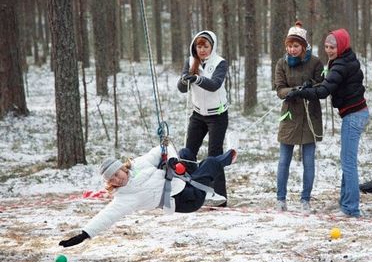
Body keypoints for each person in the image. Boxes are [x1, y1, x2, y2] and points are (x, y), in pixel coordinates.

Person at [59, 145, 237, 247]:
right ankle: (227, 159)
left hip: (182, 181)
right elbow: (106, 216)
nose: (117, 179)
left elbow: (160, 149)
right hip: (187, 199)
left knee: (185, 153)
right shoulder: (124, 198)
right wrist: (84, 235)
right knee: (210, 162)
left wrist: (172, 160)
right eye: (112, 179)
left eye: (117, 173)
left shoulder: (138, 165)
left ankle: (199, 172)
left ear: (123, 167)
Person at [286, 28, 369, 218]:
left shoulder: (341, 64)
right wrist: (309, 86)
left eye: (333, 47)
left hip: (354, 116)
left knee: (348, 163)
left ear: (342, 46)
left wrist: (301, 92)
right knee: (346, 160)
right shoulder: (342, 60)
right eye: (326, 46)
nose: (329, 50)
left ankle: (351, 208)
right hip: (353, 114)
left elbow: (324, 91)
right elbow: (327, 84)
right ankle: (345, 202)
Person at [274, 21, 324, 212]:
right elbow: (279, 89)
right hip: (289, 116)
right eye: (289, 46)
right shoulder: (281, 63)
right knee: (284, 159)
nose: (292, 49)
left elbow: (321, 84)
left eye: (296, 46)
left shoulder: (316, 62)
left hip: (310, 116)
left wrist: (309, 87)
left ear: (303, 46)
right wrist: (291, 91)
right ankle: (281, 198)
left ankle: (305, 199)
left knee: (309, 160)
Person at [177, 30, 229, 206]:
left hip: (218, 115)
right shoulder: (190, 61)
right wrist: (185, 80)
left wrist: (197, 79)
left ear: (212, 47)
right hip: (198, 114)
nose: (202, 50)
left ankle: (219, 196)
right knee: (188, 153)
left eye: (206, 46)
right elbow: (182, 88)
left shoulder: (220, 62)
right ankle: (186, 191)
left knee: (214, 156)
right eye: (199, 46)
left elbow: (214, 84)